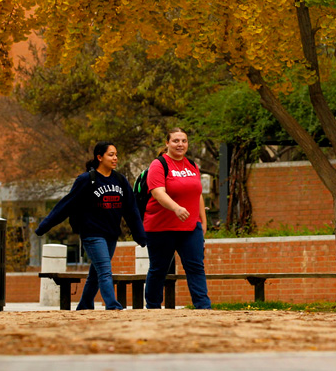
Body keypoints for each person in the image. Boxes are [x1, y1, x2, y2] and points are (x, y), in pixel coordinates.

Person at [35, 141, 147, 310]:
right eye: (111, 155)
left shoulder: (120, 180)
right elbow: (67, 204)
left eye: (116, 154)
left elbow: (131, 210)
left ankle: (85, 304)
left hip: (111, 234)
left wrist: (140, 235)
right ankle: (112, 305)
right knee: (104, 269)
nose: (115, 158)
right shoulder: (87, 179)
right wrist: (44, 226)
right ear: (99, 157)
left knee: (96, 273)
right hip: (92, 234)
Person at [143, 127, 211, 309]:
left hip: (190, 227)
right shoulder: (158, 165)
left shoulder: (192, 165)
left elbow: (198, 193)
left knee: (196, 266)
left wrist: (202, 221)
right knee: (159, 269)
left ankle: (203, 306)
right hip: (161, 227)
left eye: (184, 141)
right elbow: (157, 193)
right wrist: (176, 208)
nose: (180, 144)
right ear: (167, 143)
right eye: (176, 141)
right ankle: (153, 307)